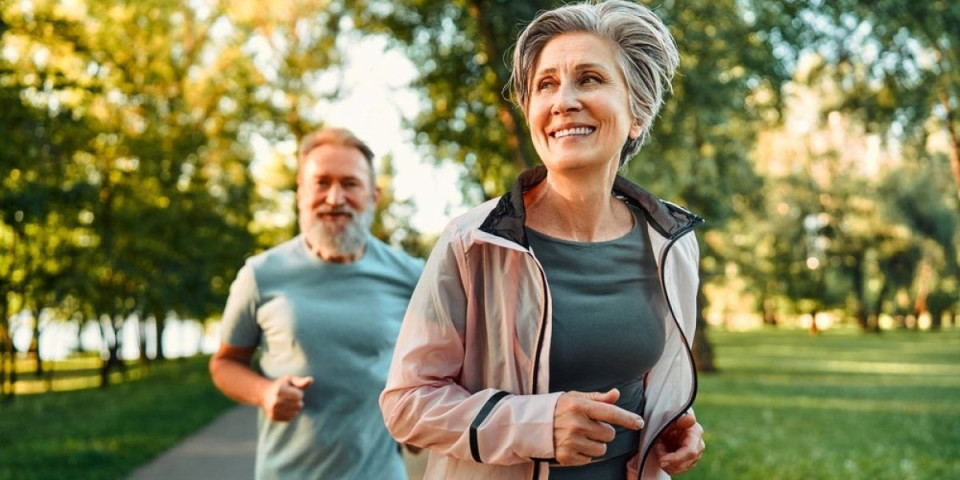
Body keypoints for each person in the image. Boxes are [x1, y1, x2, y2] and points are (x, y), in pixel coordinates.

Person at [379, 1, 705, 479]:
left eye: (590, 79)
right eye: (546, 84)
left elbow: (645, 385)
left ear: (637, 115)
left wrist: (669, 422)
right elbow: (406, 404)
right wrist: (537, 424)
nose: (563, 100)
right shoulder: (473, 243)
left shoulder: (670, 243)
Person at [209, 127, 423, 480]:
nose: (335, 198)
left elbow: (435, 368)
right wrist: (264, 392)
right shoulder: (261, 275)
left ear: (374, 196)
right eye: (321, 183)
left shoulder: (413, 276)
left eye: (350, 184)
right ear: (301, 194)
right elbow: (225, 364)